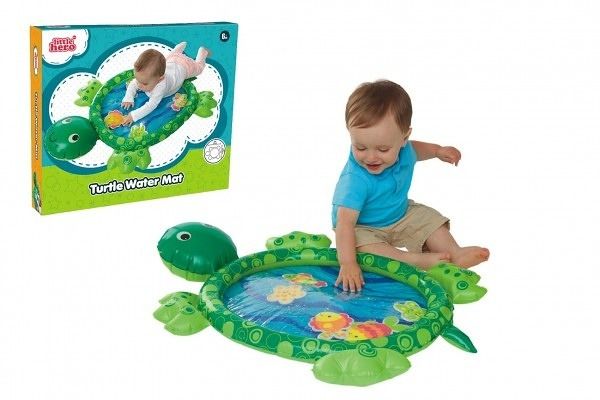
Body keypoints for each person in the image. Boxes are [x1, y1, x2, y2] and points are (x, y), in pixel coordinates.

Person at [332, 80, 489, 292]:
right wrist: (348, 263)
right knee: (362, 246)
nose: (370, 157)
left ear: (404, 138)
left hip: (401, 214)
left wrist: (438, 151)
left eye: (383, 149)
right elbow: (344, 224)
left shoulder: (406, 150)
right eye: (360, 147)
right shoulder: (354, 180)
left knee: (429, 219)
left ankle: (454, 253)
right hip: (363, 226)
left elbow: (418, 150)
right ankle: (413, 260)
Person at [121, 42, 209, 125]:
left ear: (160, 79)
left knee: (199, 69)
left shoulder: (161, 87)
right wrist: (128, 98)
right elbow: (133, 84)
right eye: (137, 79)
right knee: (169, 58)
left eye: (144, 84)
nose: (139, 85)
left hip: (184, 68)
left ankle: (202, 53)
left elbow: (151, 105)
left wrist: (133, 116)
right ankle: (177, 50)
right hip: (170, 61)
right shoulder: (145, 78)